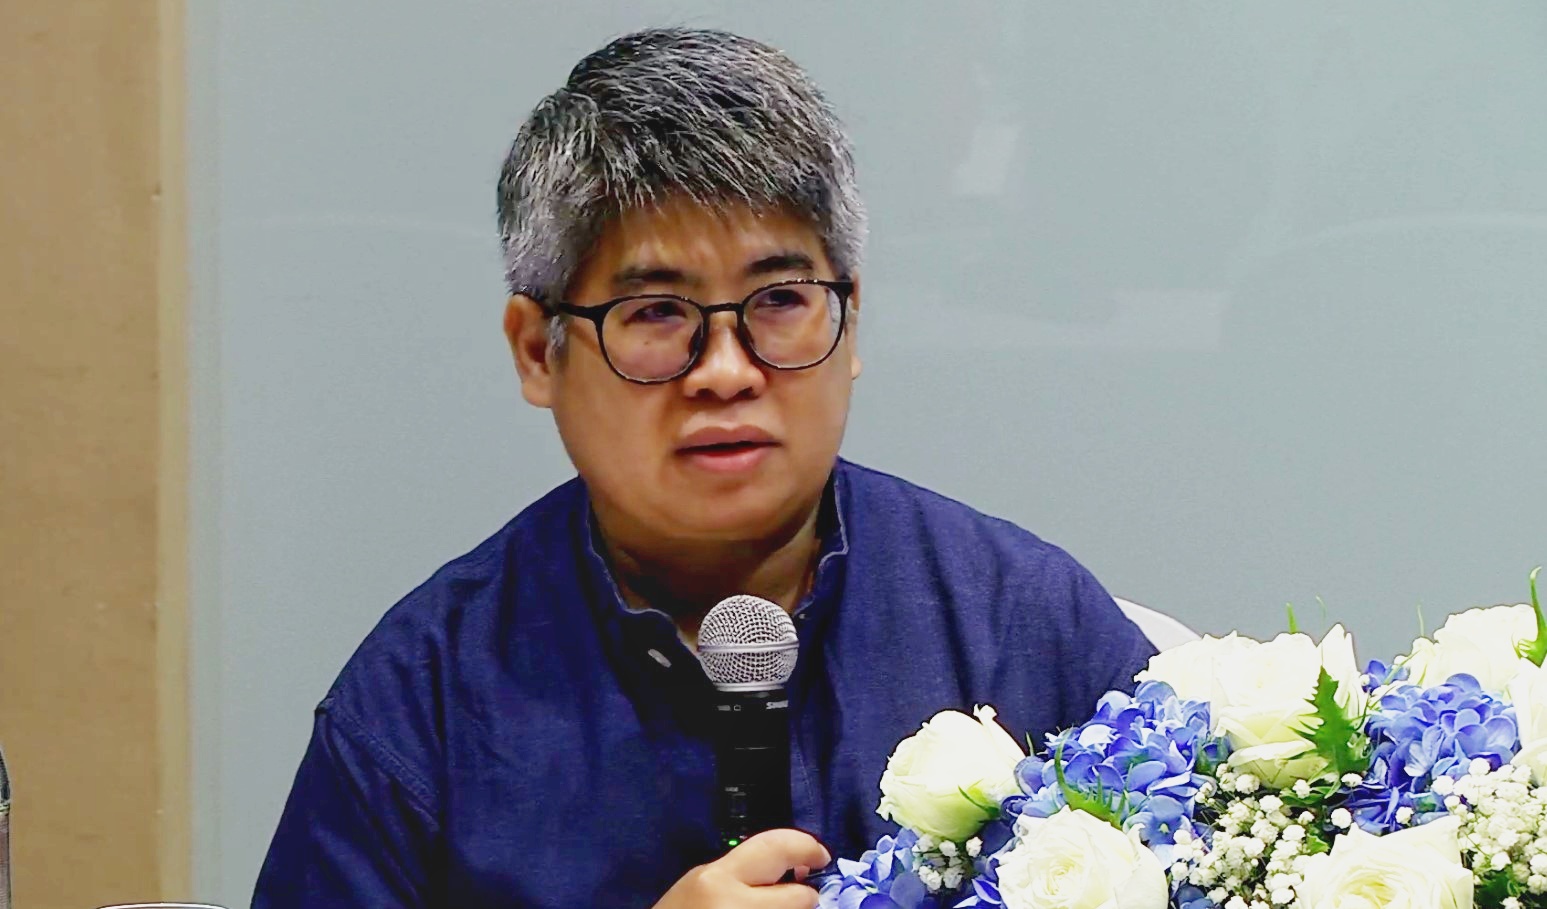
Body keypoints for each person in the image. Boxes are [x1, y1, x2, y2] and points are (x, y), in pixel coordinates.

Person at [252, 27, 1156, 909]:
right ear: (536, 351)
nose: (726, 371)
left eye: (780, 300)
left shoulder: (1023, 623)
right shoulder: (425, 700)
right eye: (655, 312)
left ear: (849, 322)